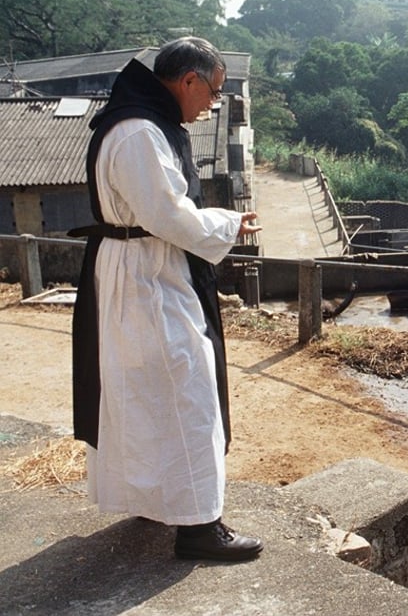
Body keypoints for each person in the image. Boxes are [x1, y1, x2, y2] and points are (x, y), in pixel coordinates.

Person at [70, 36, 263, 561]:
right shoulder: (137, 132)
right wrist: (227, 223)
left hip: (141, 269)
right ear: (189, 80)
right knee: (187, 389)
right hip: (145, 276)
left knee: (144, 392)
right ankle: (199, 527)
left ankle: (158, 500)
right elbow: (165, 215)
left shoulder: (146, 123)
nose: (211, 105)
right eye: (212, 92)